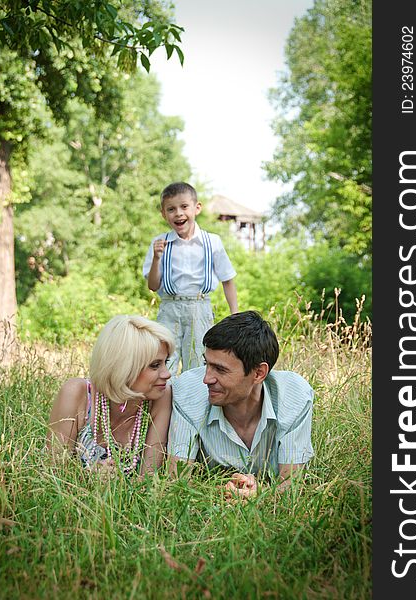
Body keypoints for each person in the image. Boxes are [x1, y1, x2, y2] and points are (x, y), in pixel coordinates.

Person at [166, 310, 314, 497]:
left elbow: (292, 485)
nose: (207, 379)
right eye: (207, 364)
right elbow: (176, 482)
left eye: (220, 369)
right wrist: (219, 493)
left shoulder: (293, 396)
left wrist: (260, 494)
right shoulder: (188, 391)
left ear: (259, 373)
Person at [47, 314, 175, 476]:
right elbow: (53, 471)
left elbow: (148, 479)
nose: (167, 374)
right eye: (155, 365)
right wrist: (87, 477)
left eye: (166, 362)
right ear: (125, 367)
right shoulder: (77, 393)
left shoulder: (161, 397)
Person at [143, 181, 238, 375]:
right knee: (164, 360)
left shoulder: (212, 242)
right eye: (171, 209)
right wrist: (156, 259)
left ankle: (193, 403)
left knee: (197, 361)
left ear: (197, 208)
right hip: (169, 308)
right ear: (164, 214)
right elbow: (153, 286)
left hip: (199, 307)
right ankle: (165, 403)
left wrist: (234, 315)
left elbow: (227, 280)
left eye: (184, 207)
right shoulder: (160, 243)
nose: (178, 213)